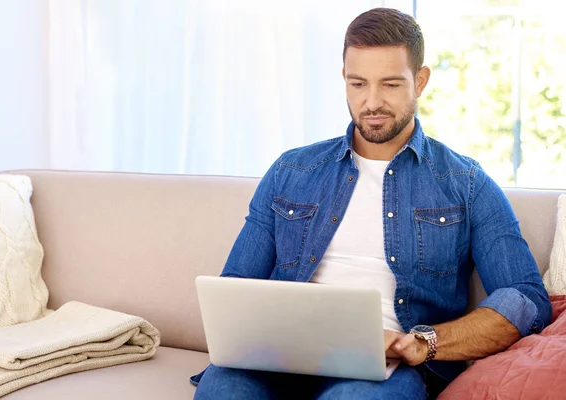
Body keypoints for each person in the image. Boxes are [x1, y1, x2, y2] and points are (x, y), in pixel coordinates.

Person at [191, 7, 551, 399]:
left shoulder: (466, 184)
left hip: (384, 372)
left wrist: (423, 343)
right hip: (278, 358)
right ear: (344, 79)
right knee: (223, 387)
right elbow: (236, 285)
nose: (372, 102)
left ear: (421, 80)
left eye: (391, 85)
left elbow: (525, 297)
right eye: (358, 84)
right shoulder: (290, 171)